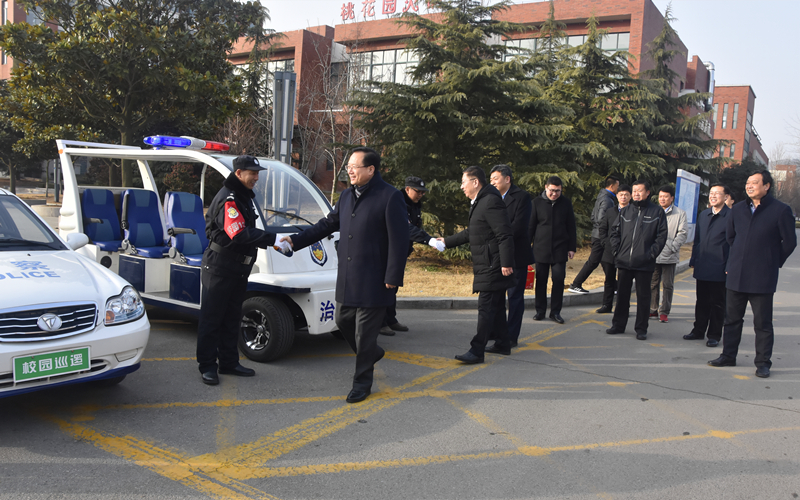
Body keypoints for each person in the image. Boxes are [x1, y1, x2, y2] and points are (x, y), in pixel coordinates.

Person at [281, 147, 408, 402]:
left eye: (354, 166)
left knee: (365, 334)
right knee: (342, 320)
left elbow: (400, 240)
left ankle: (362, 383)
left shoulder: (390, 196)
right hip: (349, 276)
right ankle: (370, 353)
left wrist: (393, 276)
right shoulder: (348, 195)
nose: (349, 170)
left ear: (370, 169)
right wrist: (295, 241)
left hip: (375, 279)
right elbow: (327, 225)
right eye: (348, 166)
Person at [197, 155, 282, 386]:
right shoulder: (230, 198)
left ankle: (228, 362)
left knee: (232, 317)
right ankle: (207, 366)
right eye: (252, 173)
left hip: (236, 268)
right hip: (220, 267)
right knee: (212, 319)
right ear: (238, 173)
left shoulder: (242, 196)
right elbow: (239, 233)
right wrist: (273, 239)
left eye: (257, 173)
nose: (256, 177)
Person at [708, 170, 797, 378]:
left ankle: (763, 363)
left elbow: (789, 242)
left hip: (762, 277)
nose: (749, 186)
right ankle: (728, 356)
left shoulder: (780, 210)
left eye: (754, 182)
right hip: (737, 274)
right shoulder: (738, 209)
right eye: (748, 182)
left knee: (762, 324)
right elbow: (731, 238)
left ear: (766, 186)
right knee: (732, 320)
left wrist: (772, 261)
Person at [440, 166, 515, 363]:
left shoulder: (490, 201)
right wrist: (446, 242)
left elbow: (504, 234)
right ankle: (502, 343)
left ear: (475, 182)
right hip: (489, 263)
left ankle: (477, 350)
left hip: (493, 264)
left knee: (485, 308)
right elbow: (471, 231)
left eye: (463, 182)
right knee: (496, 306)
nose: (461, 186)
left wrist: (506, 262)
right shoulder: (481, 202)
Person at [379, 176, 444, 336]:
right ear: (407, 189)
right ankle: (380, 322)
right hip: (388, 252)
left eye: (423, 192)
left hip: (401, 252)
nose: (421, 194)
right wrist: (429, 239)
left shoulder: (414, 205)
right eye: (418, 191)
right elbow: (406, 228)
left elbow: (415, 228)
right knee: (385, 287)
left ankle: (391, 319)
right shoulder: (398, 202)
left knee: (393, 287)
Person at [607, 179, 667, 340]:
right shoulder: (625, 211)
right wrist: (617, 251)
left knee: (643, 297)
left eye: (639, 191)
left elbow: (661, 236)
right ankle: (618, 325)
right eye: (634, 191)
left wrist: (650, 254)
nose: (636, 194)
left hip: (644, 263)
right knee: (622, 296)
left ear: (647, 193)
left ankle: (641, 329)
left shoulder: (656, 212)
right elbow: (615, 232)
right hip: (624, 262)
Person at [487, 165, 532, 349]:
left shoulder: (522, 197)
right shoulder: (491, 197)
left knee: (514, 297)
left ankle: (511, 336)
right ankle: (496, 331)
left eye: (495, 179)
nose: (492, 182)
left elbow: (519, 226)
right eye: (491, 179)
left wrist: (498, 237)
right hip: (496, 254)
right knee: (496, 296)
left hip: (516, 255)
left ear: (507, 179)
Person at [685, 183, 731, 347]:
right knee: (701, 301)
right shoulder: (704, 215)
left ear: (726, 197)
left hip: (720, 266)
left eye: (717, 193)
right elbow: (697, 240)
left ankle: (714, 335)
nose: (713, 196)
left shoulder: (730, 216)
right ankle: (698, 330)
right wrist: (694, 259)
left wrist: (729, 265)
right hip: (703, 264)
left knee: (717, 303)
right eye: (711, 193)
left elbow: (734, 244)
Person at [529, 176, 577, 324]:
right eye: (552, 190)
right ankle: (540, 310)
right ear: (546, 187)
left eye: (558, 191)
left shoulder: (565, 203)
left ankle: (555, 312)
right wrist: (526, 247)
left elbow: (571, 226)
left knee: (558, 279)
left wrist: (571, 247)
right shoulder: (536, 203)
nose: (554, 194)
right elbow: (530, 227)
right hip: (541, 248)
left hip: (560, 249)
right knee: (541, 280)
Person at [569, 176, 619, 295]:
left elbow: (593, 216)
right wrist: (605, 230)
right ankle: (576, 284)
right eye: (618, 185)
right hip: (601, 236)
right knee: (594, 261)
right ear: (611, 186)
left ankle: (614, 285)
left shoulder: (602, 197)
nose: (619, 188)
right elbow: (601, 219)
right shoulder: (607, 200)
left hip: (598, 234)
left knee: (605, 261)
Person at [649, 185, 687, 323]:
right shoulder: (653, 211)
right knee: (653, 283)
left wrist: (673, 247)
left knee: (668, 285)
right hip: (654, 254)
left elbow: (682, 233)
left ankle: (664, 311)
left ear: (672, 198)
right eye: (660, 196)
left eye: (665, 196)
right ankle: (653, 309)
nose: (662, 199)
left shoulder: (680, 214)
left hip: (669, 255)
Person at [596, 184, 631, 313]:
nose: (623, 197)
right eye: (621, 194)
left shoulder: (633, 212)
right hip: (609, 251)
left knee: (624, 282)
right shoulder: (610, 211)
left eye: (626, 195)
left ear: (630, 196)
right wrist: (605, 243)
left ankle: (622, 308)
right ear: (617, 196)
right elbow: (602, 228)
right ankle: (607, 305)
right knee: (609, 280)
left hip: (625, 251)